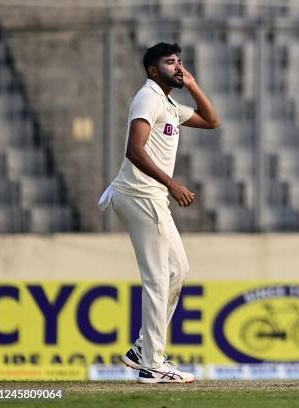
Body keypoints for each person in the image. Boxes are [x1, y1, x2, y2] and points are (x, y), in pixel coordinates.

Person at [97, 42, 220, 383]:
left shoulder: (168, 102)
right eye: (170, 62)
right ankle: (152, 362)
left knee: (177, 271)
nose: (178, 67)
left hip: (150, 196)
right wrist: (172, 184)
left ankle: (142, 349)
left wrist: (193, 85)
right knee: (158, 278)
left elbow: (212, 121)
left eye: (180, 62)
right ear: (153, 71)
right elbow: (134, 150)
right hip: (139, 194)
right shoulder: (148, 97)